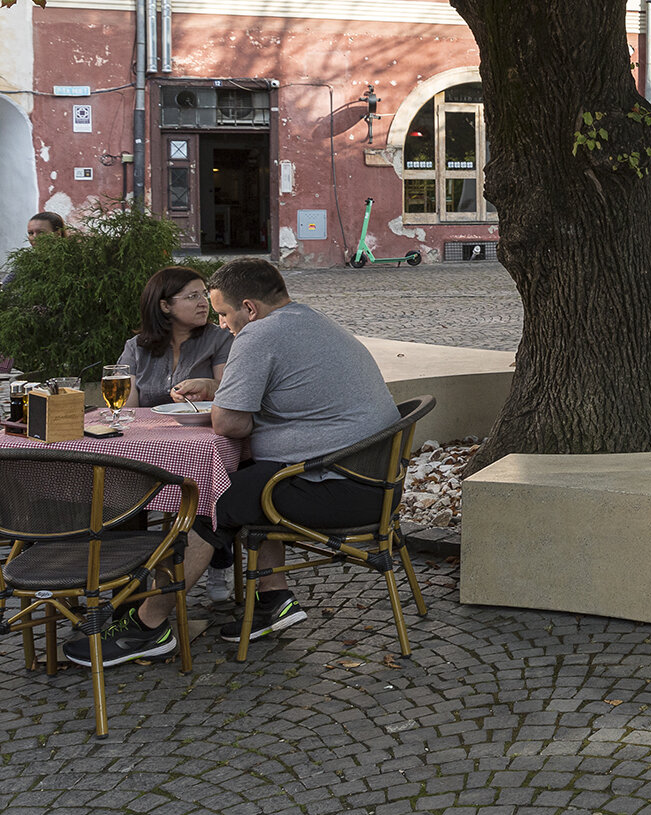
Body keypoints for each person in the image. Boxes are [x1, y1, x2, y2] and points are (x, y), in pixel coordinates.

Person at [66, 259, 400, 667]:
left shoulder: (259, 335)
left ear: (250, 308)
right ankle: (273, 597)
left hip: (337, 487)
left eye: (223, 313)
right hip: (371, 480)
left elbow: (230, 423)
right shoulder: (312, 322)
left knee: (210, 501)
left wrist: (225, 399)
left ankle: (148, 626)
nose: (222, 324)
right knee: (251, 479)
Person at [118, 267, 232, 407]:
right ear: (165, 306)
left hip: (202, 427)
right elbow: (126, 410)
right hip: (148, 427)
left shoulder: (220, 338)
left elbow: (229, 393)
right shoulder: (136, 347)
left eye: (204, 295)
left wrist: (208, 386)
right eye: (193, 296)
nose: (203, 303)